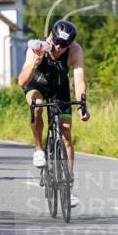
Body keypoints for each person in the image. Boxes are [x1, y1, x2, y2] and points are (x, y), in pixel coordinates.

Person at [17, 20, 90, 207]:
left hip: (59, 87)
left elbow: (79, 81)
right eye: (56, 42)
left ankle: (69, 186)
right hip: (36, 85)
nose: (58, 48)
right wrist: (36, 61)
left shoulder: (75, 51)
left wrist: (82, 105)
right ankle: (38, 149)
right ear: (51, 37)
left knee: (66, 134)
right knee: (37, 106)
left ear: (70, 44)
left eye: (63, 45)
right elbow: (22, 81)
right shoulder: (37, 46)